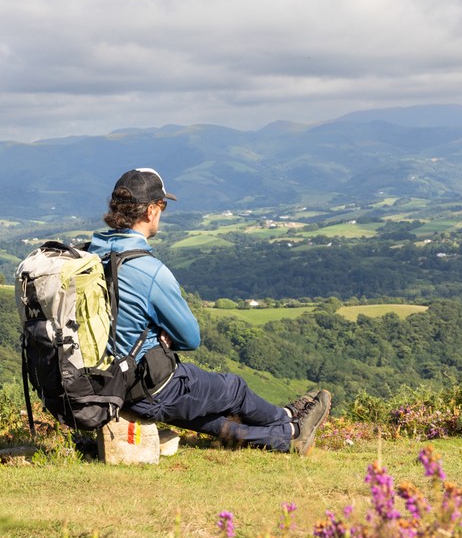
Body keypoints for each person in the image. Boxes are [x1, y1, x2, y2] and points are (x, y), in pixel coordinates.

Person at [87, 167, 331, 455]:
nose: (162, 212)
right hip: (152, 386)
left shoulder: (91, 255)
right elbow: (191, 338)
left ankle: (286, 437)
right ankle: (290, 422)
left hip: (108, 385)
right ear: (151, 210)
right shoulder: (147, 269)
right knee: (233, 388)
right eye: (162, 205)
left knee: (209, 419)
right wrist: (163, 332)